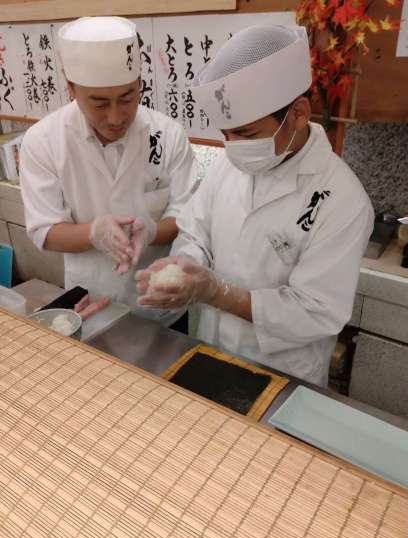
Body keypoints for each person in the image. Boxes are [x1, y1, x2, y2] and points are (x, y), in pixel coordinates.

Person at [136, 24, 374, 386]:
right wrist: (183, 270)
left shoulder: (342, 199)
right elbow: (196, 233)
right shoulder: (226, 165)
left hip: (283, 372)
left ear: (298, 113)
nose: (233, 147)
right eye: (226, 134)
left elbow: (316, 311)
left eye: (246, 134)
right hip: (211, 349)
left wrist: (216, 292)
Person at [20, 16, 198, 329]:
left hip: (163, 306)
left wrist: (152, 231)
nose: (116, 117)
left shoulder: (168, 135)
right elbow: (44, 230)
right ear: (71, 88)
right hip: (91, 304)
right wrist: (94, 233)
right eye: (99, 103)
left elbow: (188, 215)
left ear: (139, 84)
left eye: (127, 98)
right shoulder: (44, 141)